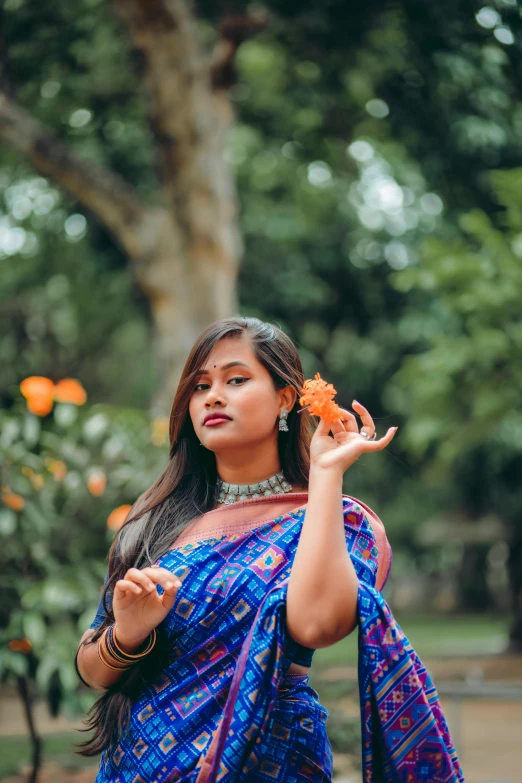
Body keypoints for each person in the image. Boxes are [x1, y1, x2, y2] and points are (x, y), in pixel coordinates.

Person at [75, 316, 465, 782]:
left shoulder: (342, 521)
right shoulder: (153, 525)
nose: (213, 396)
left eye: (236, 380)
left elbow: (317, 623)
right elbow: (93, 670)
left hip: (269, 764)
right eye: (200, 387)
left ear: (285, 398)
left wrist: (326, 476)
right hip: (137, 766)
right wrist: (128, 634)